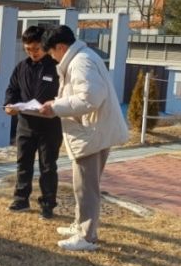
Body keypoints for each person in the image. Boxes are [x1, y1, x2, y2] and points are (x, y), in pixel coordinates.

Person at [39, 25, 128, 251]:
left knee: (86, 188)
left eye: (52, 52)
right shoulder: (84, 57)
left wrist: (55, 107)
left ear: (60, 47)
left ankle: (86, 236)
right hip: (94, 131)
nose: (52, 57)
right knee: (85, 185)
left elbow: (90, 99)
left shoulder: (80, 62)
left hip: (91, 134)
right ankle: (80, 226)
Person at [4, 26, 62, 219]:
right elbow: (12, 90)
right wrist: (9, 105)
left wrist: (54, 104)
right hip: (25, 124)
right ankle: (21, 199)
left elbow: (65, 94)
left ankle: (47, 204)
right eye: (28, 49)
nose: (32, 53)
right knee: (23, 163)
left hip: (50, 125)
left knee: (48, 166)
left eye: (36, 49)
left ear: (44, 45)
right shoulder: (22, 67)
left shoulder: (56, 66)